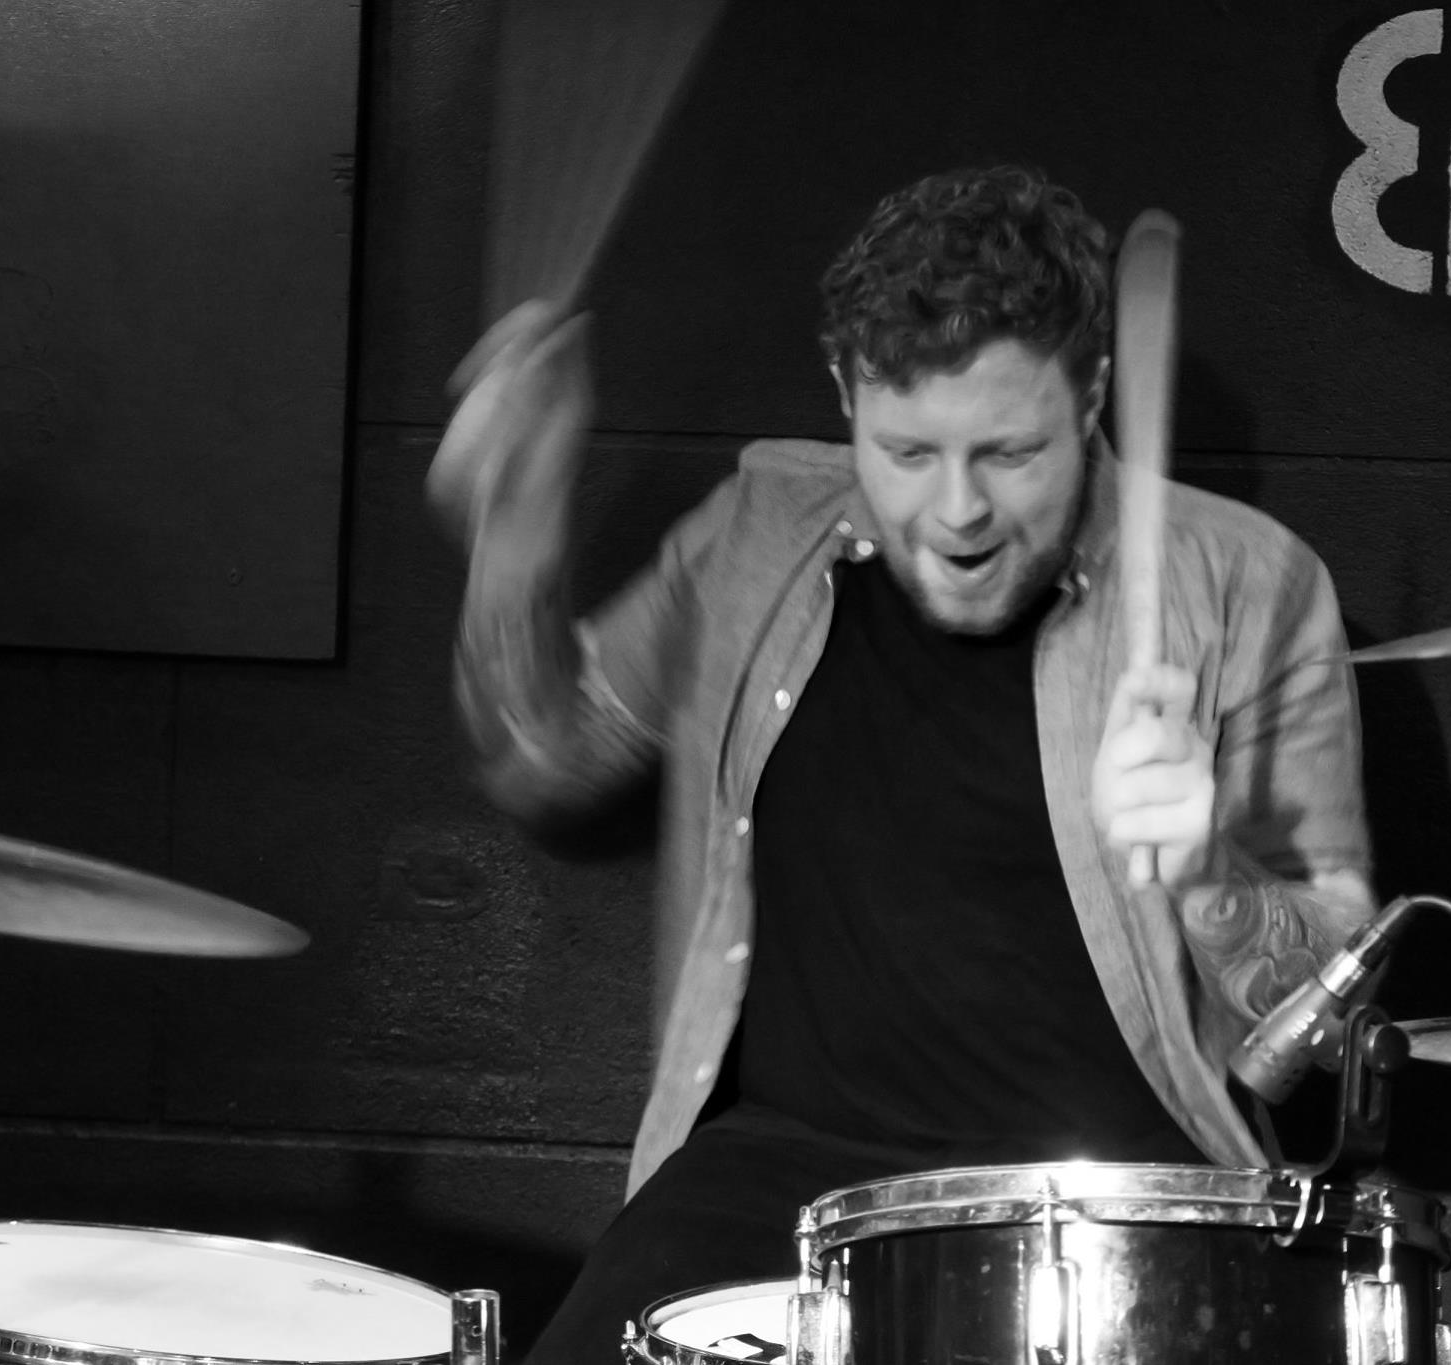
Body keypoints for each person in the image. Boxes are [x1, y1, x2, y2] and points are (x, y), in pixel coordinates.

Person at [428, 165, 1374, 1365]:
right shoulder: (754, 535)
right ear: (845, 394)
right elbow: (544, 761)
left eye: (1008, 452)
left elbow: (1331, 1038)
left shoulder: (1249, 583)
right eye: (908, 452)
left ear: (1089, 393)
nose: (957, 509)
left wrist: (1204, 871)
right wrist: (513, 531)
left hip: (1111, 1203)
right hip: (774, 1185)